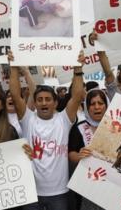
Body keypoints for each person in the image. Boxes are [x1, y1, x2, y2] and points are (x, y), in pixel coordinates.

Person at [9, 51, 85, 210]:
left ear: (56, 103)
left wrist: (78, 69)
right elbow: (15, 96)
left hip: (60, 193)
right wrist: (14, 67)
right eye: (40, 100)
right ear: (34, 104)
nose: (44, 103)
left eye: (48, 99)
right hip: (31, 192)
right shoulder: (28, 120)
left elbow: (77, 96)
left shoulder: (64, 120)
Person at [68, 88, 109, 210]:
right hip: (88, 186)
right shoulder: (79, 128)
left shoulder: (116, 127)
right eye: (92, 104)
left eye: (101, 103)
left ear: (107, 105)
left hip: (113, 186)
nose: (97, 107)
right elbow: (71, 154)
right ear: (86, 107)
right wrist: (79, 155)